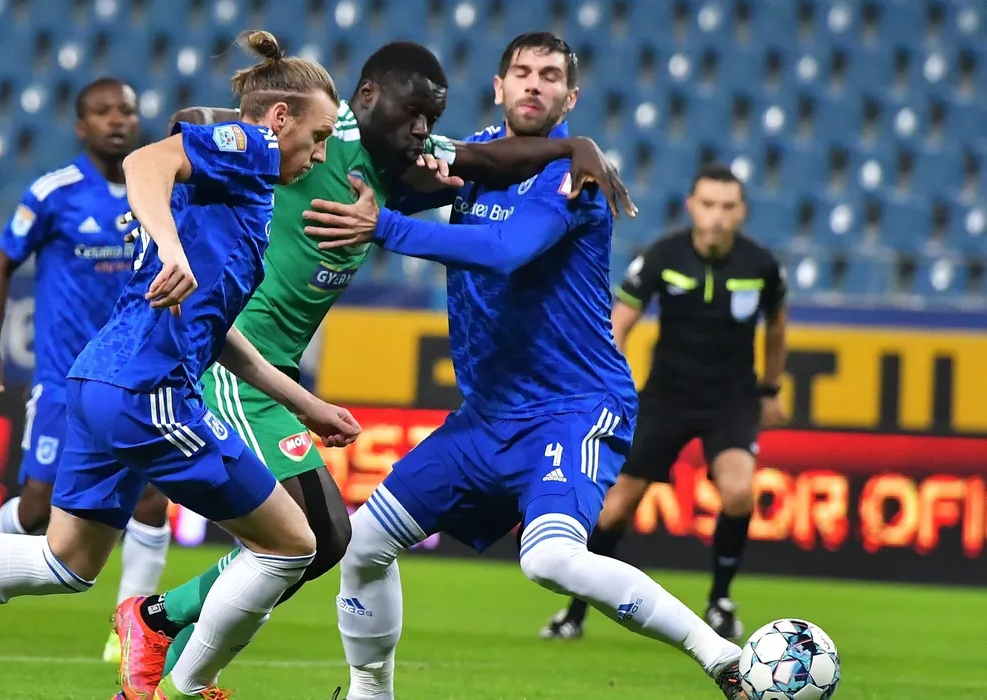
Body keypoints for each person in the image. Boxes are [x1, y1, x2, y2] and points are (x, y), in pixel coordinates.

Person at [0, 31, 359, 700]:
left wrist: (302, 401)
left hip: (99, 381)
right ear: (280, 117)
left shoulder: (244, 189)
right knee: (294, 544)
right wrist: (168, 245)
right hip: (148, 390)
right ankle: (179, 677)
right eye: (318, 136)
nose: (319, 154)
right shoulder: (252, 147)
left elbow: (214, 327)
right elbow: (146, 161)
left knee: (67, 560)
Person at [112, 38, 637, 700]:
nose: (422, 130)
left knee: (320, 540)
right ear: (367, 99)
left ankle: (163, 631)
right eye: (412, 114)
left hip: (277, 374)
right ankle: (173, 660)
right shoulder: (322, 132)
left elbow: (488, 160)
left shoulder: (398, 161)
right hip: (235, 359)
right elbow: (200, 122)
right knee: (307, 538)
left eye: (430, 119)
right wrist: (180, 201)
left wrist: (576, 148)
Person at [303, 32, 748, 700]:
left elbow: (507, 249)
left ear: (570, 97)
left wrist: (384, 228)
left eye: (549, 75)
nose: (534, 83)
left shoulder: (576, 176)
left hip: (573, 407)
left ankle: (721, 658)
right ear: (498, 87)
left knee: (549, 559)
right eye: (521, 71)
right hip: (486, 419)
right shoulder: (471, 155)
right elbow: (395, 178)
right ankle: (371, 695)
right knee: (362, 544)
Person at [0, 76, 174, 663]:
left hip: (137, 377)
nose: (117, 120)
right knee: (38, 508)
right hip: (64, 379)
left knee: (151, 501)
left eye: (126, 110)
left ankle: (130, 631)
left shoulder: (158, 187)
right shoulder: (55, 192)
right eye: (103, 112)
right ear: (80, 126)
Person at [541, 164, 788, 643]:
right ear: (691, 206)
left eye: (727, 206)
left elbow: (777, 326)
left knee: (739, 492)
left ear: (742, 212)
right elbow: (620, 322)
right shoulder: (663, 255)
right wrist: (608, 386)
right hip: (666, 397)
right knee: (614, 511)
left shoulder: (761, 265)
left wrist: (771, 389)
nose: (717, 216)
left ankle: (720, 602)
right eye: (708, 204)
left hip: (731, 400)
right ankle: (575, 612)